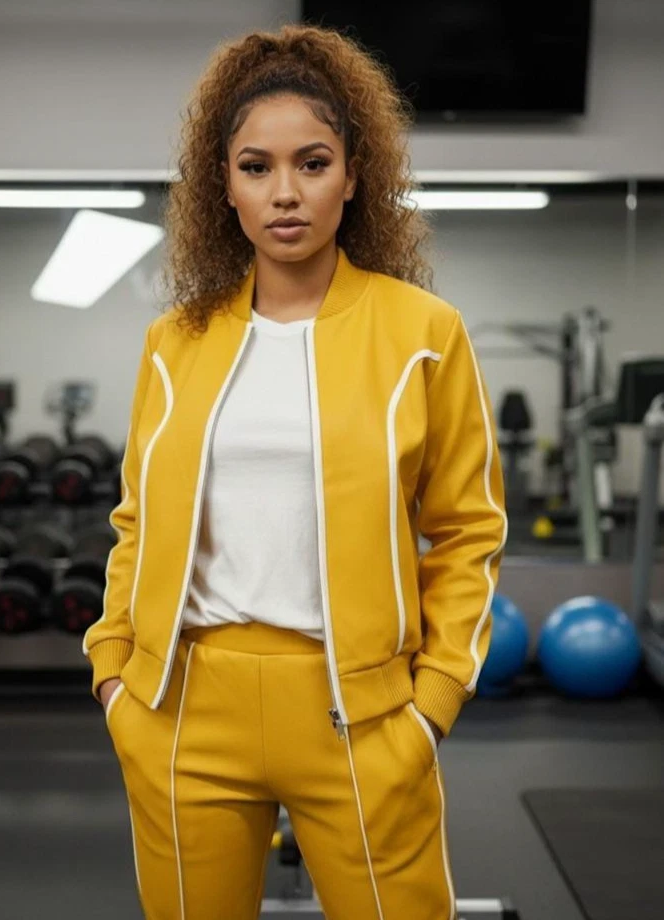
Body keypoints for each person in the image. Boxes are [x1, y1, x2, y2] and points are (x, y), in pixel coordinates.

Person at [83, 22, 507, 920]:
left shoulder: (423, 333)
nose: (285, 193)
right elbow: (136, 521)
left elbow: (469, 529)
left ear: (353, 177)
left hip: (360, 714)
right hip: (182, 705)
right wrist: (113, 671)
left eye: (312, 164)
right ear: (223, 187)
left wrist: (429, 705)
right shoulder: (175, 342)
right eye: (255, 167)